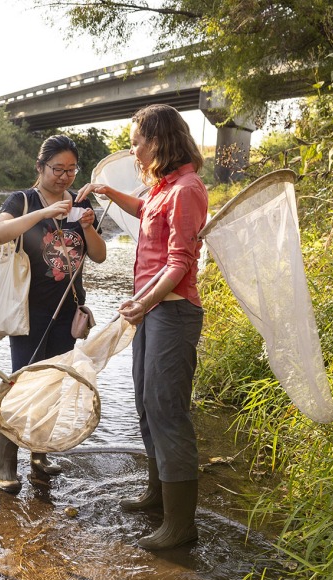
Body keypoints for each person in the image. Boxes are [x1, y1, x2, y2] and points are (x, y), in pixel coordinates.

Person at [75, 103, 208, 550]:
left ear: (158, 141)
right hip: (152, 312)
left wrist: (144, 301)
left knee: (167, 409)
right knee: (147, 404)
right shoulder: (162, 188)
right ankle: (157, 495)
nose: (133, 151)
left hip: (172, 312)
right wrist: (109, 192)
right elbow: (144, 208)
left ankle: (180, 525)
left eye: (136, 143)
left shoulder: (187, 189)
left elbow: (180, 262)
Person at [0, 135, 107, 494]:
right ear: (40, 167)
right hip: (28, 311)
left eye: (71, 170)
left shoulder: (82, 202)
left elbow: (99, 256)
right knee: (21, 385)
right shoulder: (22, 200)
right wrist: (42, 213)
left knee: (54, 384)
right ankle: (6, 466)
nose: (64, 177)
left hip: (67, 310)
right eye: (57, 169)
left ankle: (39, 456)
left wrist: (87, 226)